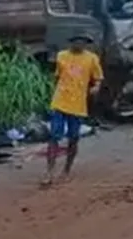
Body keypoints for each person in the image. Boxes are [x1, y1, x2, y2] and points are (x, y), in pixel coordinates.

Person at [43, 34, 103, 186]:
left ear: (86, 44)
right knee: (54, 136)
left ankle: (66, 171)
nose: (79, 44)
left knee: (73, 138)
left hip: (78, 105)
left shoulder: (92, 59)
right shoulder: (62, 56)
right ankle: (49, 172)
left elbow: (98, 79)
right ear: (71, 43)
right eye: (77, 41)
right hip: (60, 101)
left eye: (83, 42)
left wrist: (95, 88)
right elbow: (57, 76)